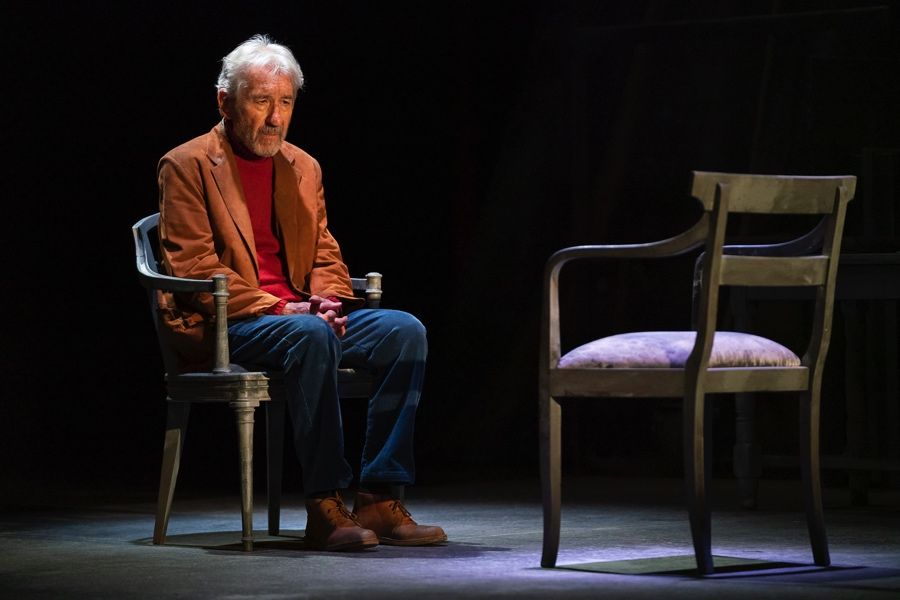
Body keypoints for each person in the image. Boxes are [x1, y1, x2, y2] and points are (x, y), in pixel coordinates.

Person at [156, 33, 446, 551]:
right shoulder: (186, 164)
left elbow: (325, 253)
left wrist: (326, 300)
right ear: (225, 102)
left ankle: (378, 495)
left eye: (285, 102)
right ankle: (324, 503)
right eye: (261, 101)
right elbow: (195, 266)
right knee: (311, 335)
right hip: (230, 324)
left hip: (301, 320)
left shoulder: (304, 167)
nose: (275, 117)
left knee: (404, 332)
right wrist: (283, 306)